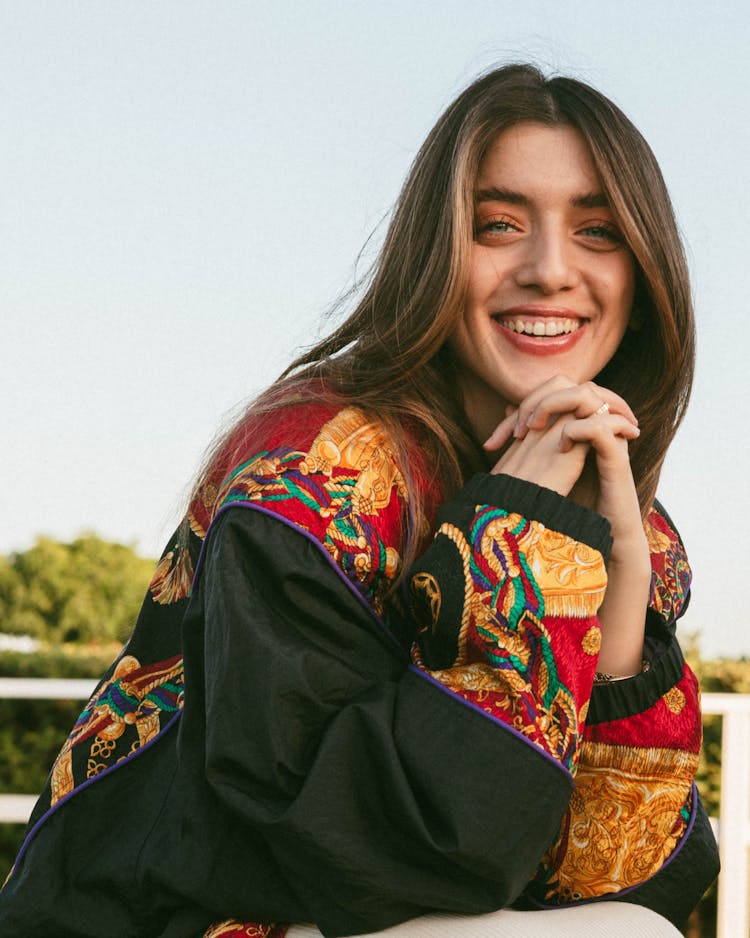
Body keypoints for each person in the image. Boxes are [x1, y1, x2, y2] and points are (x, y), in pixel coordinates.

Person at [0, 64, 719, 937]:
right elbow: (394, 854)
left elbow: (625, 871)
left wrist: (625, 599)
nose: (549, 270)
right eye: (498, 225)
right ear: (434, 257)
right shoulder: (314, 470)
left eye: (598, 231)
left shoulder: (606, 501)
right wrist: (515, 546)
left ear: (643, 283)